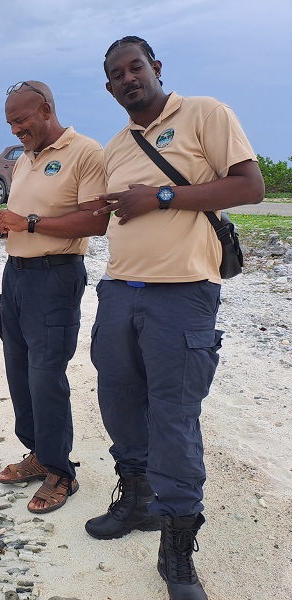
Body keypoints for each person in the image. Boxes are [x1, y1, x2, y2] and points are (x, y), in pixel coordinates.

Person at [87, 36, 264, 600]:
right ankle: (137, 499)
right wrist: (21, 222)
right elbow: (99, 215)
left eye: (135, 67)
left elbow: (250, 186)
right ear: (109, 86)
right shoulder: (116, 144)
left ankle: (178, 553)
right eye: (116, 74)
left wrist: (161, 196)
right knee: (117, 401)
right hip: (118, 291)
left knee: (174, 418)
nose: (127, 78)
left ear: (155, 68)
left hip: (183, 295)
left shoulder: (205, 113)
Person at [0, 80, 108, 514]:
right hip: (16, 275)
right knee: (19, 371)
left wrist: (26, 222)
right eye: (10, 122)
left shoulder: (86, 152)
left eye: (21, 120)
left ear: (46, 109)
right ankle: (38, 454)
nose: (15, 130)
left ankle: (61, 472)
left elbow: (95, 222)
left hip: (55, 278)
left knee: (46, 376)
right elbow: (25, 220)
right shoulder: (27, 159)